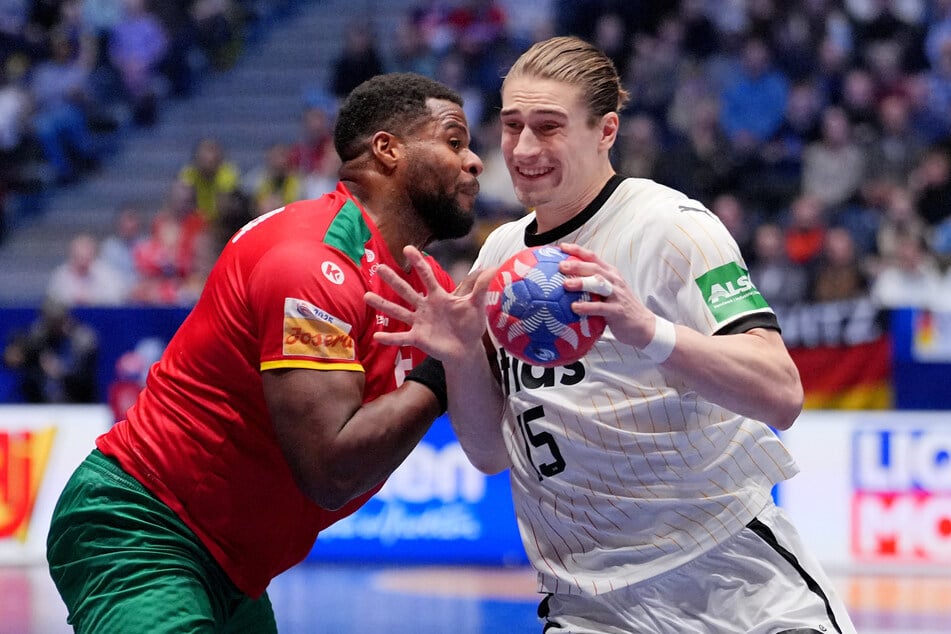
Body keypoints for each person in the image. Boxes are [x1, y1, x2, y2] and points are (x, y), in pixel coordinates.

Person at [366, 36, 857, 633]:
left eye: (548, 127)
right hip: (589, 604)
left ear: (606, 132)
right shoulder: (499, 255)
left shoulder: (673, 227)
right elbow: (490, 454)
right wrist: (464, 354)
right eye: (511, 125)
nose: (523, 148)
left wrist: (647, 330)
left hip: (730, 582)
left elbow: (782, 394)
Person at [46, 72, 483, 633]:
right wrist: (444, 370)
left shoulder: (416, 286)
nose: (472, 161)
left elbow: (484, 447)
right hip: (145, 527)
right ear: (387, 150)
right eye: (453, 141)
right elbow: (328, 468)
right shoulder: (312, 263)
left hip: (235, 568)